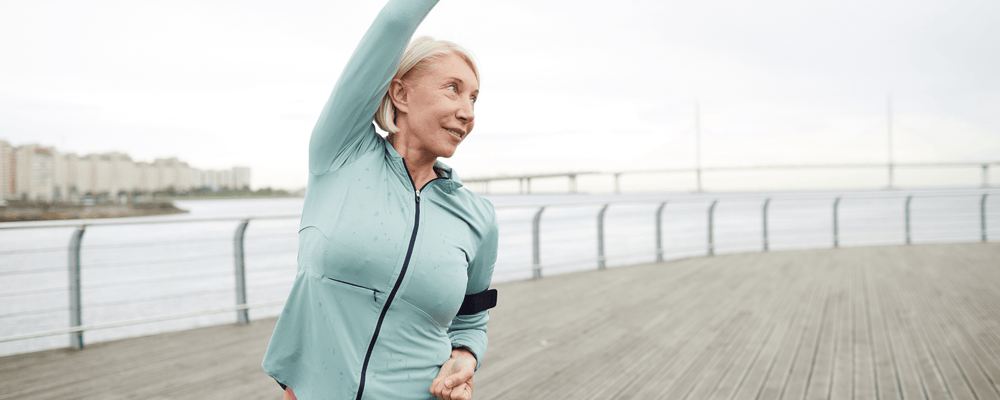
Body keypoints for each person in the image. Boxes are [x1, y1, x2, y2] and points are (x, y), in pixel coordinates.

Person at [261, 0, 498, 399]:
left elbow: (472, 318)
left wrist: (464, 357)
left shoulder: (478, 217)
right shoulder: (341, 153)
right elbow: (395, 20)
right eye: (453, 89)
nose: (467, 112)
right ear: (400, 94)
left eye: (474, 98)